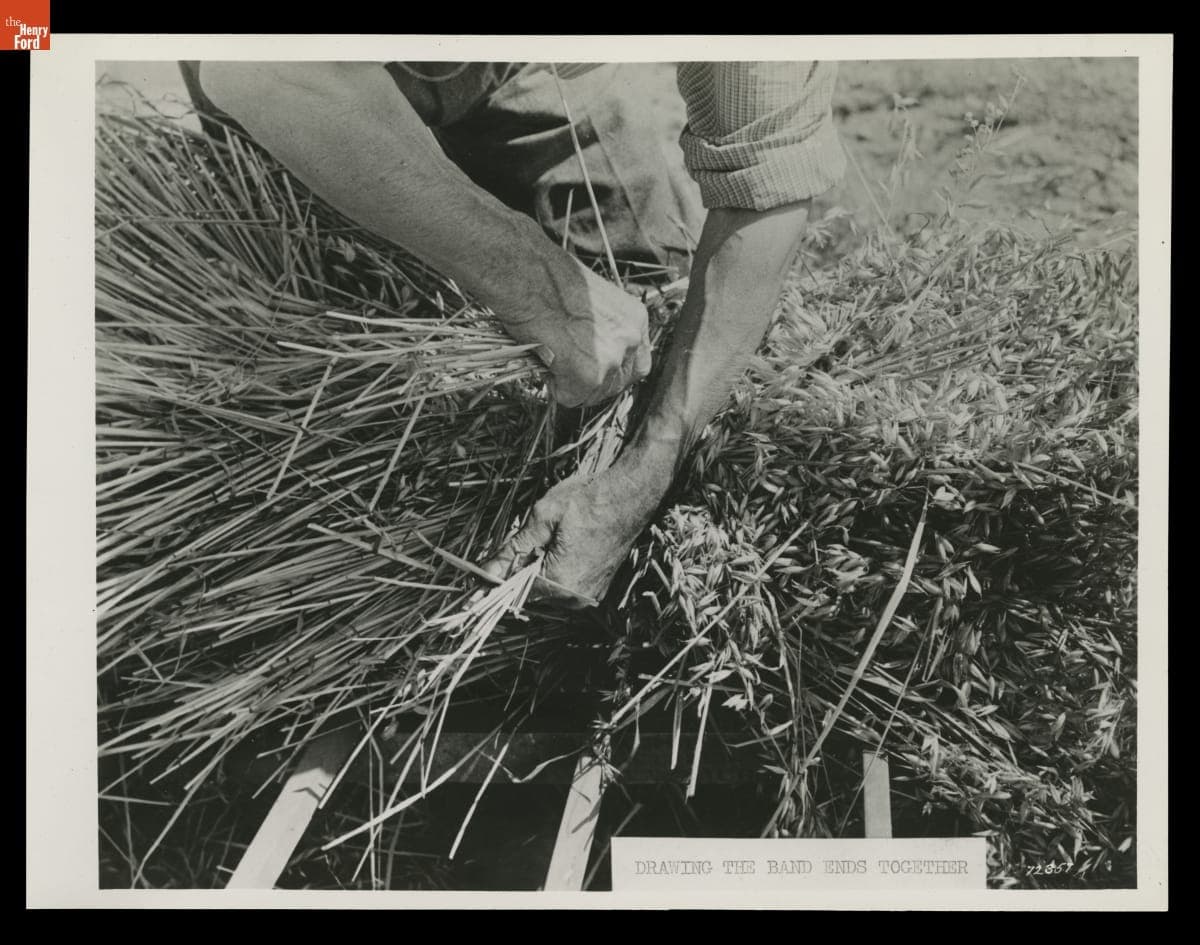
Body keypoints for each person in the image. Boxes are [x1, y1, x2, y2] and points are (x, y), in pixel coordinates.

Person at [187, 60, 846, 606]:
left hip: (517, 74)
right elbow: (262, 69)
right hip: (310, 80)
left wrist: (638, 481)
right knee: (323, 363)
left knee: (647, 277)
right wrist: (538, 286)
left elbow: (764, 183)